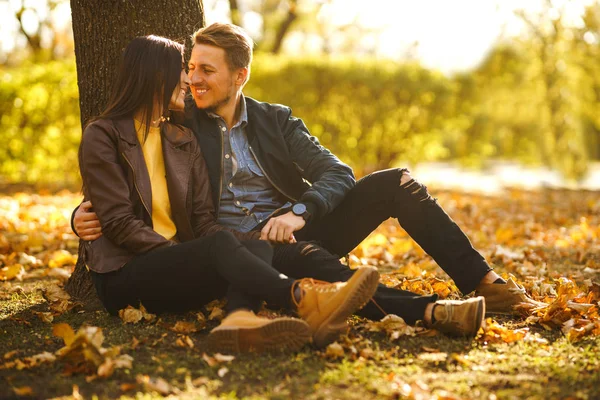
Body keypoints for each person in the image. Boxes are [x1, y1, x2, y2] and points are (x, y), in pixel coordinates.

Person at [75, 23, 547, 337]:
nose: (192, 80)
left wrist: (300, 212)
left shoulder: (274, 121)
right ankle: (429, 311)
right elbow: (128, 173)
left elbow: (336, 172)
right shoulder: (181, 123)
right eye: (189, 70)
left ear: (240, 76)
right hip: (240, 246)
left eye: (204, 71)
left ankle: (484, 282)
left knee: (395, 182)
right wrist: (80, 215)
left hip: (290, 228)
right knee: (327, 272)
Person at [77, 34, 381, 353]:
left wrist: (251, 241)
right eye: (182, 69)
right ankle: (306, 299)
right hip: (124, 273)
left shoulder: (179, 137)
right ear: (156, 77)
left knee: (257, 247)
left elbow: (203, 222)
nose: (187, 79)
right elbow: (119, 223)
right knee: (219, 245)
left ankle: (239, 321)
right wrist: (183, 253)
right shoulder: (104, 134)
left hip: (172, 267)